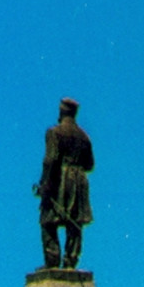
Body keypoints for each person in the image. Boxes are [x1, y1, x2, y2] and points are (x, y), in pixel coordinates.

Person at [34, 97, 94, 269]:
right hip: (79, 181)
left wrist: (45, 185)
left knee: (47, 219)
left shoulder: (55, 132)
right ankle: (71, 261)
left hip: (60, 180)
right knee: (75, 223)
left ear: (61, 111)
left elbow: (50, 160)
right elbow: (90, 164)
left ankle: (52, 261)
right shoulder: (84, 137)